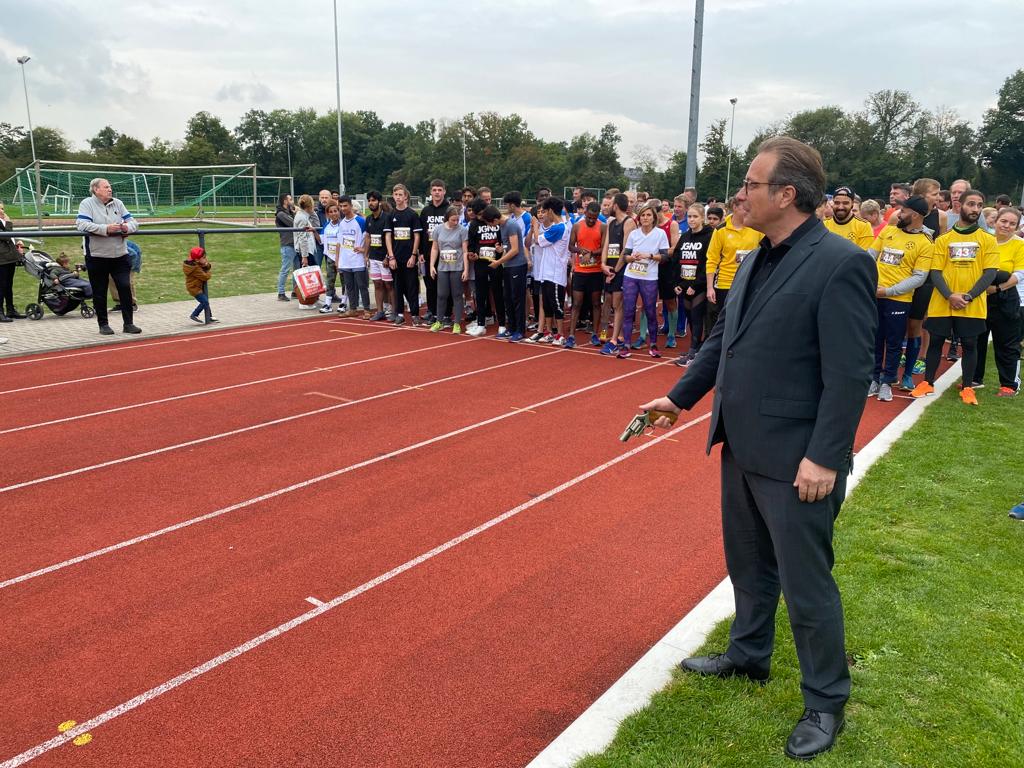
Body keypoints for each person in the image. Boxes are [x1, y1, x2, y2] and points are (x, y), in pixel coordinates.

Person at [641, 136, 877, 761]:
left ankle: (825, 701)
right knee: (748, 565)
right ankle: (748, 655)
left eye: (751, 183)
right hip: (742, 445)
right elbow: (722, 342)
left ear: (787, 194)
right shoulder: (752, 258)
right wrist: (679, 398)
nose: (740, 194)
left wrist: (824, 456)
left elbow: (850, 374)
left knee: (807, 586)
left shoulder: (841, 263)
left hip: (799, 458)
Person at [911, 190, 999, 405]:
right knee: (936, 341)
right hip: (943, 301)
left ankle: (967, 387)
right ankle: (927, 383)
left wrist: (968, 296)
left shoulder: (988, 240)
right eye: (971, 204)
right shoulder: (943, 239)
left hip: (972, 303)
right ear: (960, 205)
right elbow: (935, 271)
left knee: (969, 343)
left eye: (979, 205)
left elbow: (990, 272)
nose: (975, 209)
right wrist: (950, 295)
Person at [866, 196, 934, 402]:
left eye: (903, 211)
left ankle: (888, 381)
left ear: (915, 215)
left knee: (894, 341)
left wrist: (889, 291)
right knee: (875, 338)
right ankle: (874, 378)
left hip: (899, 299)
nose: (898, 214)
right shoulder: (888, 231)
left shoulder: (925, 242)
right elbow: (870, 255)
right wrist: (870, 282)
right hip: (875, 294)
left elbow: (919, 277)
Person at [75, 177, 141, 335]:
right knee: (100, 291)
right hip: (97, 256)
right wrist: (106, 229)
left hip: (120, 255)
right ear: (95, 189)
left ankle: (128, 324)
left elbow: (134, 223)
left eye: (110, 187)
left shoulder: (118, 203)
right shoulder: (87, 204)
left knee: (124, 287)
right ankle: (103, 325)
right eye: (106, 187)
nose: (110, 189)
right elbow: (81, 224)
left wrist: (125, 228)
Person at [971, 207, 1024, 395]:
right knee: (977, 340)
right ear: (995, 221)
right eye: (1004, 221)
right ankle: (974, 378)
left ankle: (1009, 384)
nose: (1007, 226)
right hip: (981, 297)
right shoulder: (985, 241)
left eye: (1012, 224)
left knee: (1007, 343)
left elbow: (1019, 274)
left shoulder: (1019, 245)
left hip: (1006, 297)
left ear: (1017, 227)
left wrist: (997, 288)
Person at [617, 202, 668, 359]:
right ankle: (626, 345)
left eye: (648, 215)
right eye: (643, 215)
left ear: (653, 218)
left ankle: (653, 345)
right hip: (631, 276)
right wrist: (631, 258)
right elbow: (625, 256)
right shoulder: (634, 234)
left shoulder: (660, 234)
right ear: (639, 218)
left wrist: (650, 256)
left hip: (649, 278)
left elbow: (665, 257)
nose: (645, 218)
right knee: (628, 310)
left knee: (650, 311)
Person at [704, 193, 761, 332]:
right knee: (723, 322)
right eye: (744, 207)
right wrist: (710, 287)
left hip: (748, 282)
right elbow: (712, 259)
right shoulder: (720, 230)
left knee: (744, 321)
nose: (748, 209)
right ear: (735, 207)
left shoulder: (757, 228)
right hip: (725, 283)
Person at [673, 203, 713, 367]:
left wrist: (696, 285)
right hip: (685, 284)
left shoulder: (709, 236)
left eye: (695, 216)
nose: (691, 220)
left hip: (700, 285)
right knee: (690, 317)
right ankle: (695, 347)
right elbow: (676, 260)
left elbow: (708, 262)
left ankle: (693, 352)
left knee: (697, 317)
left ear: (702, 218)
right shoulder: (684, 237)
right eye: (689, 216)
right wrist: (677, 283)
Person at [598, 192, 635, 354]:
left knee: (618, 303)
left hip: (621, 269)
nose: (608, 207)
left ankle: (615, 340)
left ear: (616, 205)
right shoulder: (611, 222)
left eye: (611, 203)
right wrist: (603, 264)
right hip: (609, 268)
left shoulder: (629, 222)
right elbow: (606, 244)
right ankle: (615, 335)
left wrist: (616, 270)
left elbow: (626, 250)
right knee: (610, 301)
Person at [566, 201, 606, 349]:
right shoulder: (577, 226)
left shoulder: (602, 227)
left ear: (598, 216)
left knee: (596, 303)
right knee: (577, 303)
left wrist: (591, 253)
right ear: (585, 213)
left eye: (594, 218)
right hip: (580, 271)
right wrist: (581, 251)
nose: (591, 220)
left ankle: (595, 334)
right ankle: (571, 336)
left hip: (596, 271)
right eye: (589, 217)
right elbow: (571, 246)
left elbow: (604, 248)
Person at [385, 183, 424, 325]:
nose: (398, 197)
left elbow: (417, 236)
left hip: (409, 257)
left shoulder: (412, 214)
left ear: (406, 196)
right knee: (398, 287)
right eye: (395, 194)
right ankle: (400, 314)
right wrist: (391, 256)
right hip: (396, 258)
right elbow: (388, 236)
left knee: (412, 286)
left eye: (400, 194)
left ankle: (415, 314)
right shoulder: (391, 215)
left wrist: (414, 255)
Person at [429, 206, 469, 334]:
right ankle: (439, 321)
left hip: (457, 267)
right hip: (442, 267)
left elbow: (465, 251)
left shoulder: (462, 230)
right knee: (441, 295)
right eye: (453, 220)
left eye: (457, 220)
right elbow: (435, 248)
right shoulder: (438, 229)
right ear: (447, 218)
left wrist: (466, 269)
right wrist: (431, 265)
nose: (455, 222)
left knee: (457, 295)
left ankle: (456, 323)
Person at [498, 191, 530, 341]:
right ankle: (512, 327)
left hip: (522, 260)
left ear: (512, 204)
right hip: (510, 260)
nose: (505, 207)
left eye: (506, 204)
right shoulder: (510, 219)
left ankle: (521, 326)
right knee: (509, 296)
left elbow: (527, 241)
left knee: (520, 296)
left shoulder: (526, 218)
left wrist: (528, 258)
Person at [419, 179, 449, 324]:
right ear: (431, 192)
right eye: (434, 190)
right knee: (430, 284)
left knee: (445, 285)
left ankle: (446, 313)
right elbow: (421, 233)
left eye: (439, 190)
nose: (437, 193)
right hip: (428, 253)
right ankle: (432, 311)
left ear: (444, 192)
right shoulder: (425, 211)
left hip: (445, 254)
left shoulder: (448, 210)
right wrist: (420, 252)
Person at [337, 196, 371, 318]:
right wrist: (337, 260)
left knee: (362, 285)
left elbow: (368, 237)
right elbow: (339, 242)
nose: (343, 208)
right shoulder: (341, 223)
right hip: (345, 260)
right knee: (349, 286)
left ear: (351, 206)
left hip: (358, 259)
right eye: (341, 206)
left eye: (345, 206)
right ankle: (353, 308)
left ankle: (367, 309)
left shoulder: (360, 221)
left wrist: (364, 250)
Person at [364, 191, 393, 321]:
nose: (371, 203)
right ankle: (380, 311)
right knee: (377, 284)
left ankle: (393, 310)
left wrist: (388, 256)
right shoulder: (369, 219)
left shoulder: (387, 217)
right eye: (369, 201)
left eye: (373, 200)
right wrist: (366, 255)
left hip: (384, 257)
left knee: (389, 285)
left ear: (379, 202)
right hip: (373, 257)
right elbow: (368, 237)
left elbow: (390, 238)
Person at [319, 202, 346, 314]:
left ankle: (344, 303)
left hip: (343, 258)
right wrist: (313, 231)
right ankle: (328, 304)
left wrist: (339, 259)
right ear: (327, 214)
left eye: (335, 211)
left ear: (339, 212)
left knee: (344, 281)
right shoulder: (326, 225)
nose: (333, 213)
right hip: (330, 257)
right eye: (331, 212)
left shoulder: (343, 224)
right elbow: (321, 240)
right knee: (330, 281)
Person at [0, 200, 24, 322]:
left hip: (9, 258)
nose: (2, 211)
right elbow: (6, 236)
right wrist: (9, 222)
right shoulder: (5, 222)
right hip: (2, 259)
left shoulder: (3, 222)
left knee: (8, 285)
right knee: (2, 285)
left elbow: (10, 237)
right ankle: (0, 312)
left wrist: (16, 243)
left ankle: (10, 309)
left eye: (2, 208)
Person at [183, 246, 217, 324]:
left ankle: (209, 316)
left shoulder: (195, 263)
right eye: (204, 258)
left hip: (197, 286)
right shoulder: (195, 269)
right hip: (194, 288)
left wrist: (206, 265)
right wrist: (208, 272)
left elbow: (207, 266)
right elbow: (205, 277)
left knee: (205, 300)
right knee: (205, 302)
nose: (205, 259)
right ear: (197, 259)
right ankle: (194, 314)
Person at [275, 193, 297, 302]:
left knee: (297, 269)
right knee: (285, 269)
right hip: (288, 244)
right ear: (285, 201)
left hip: (295, 244)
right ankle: (281, 293)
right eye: (290, 199)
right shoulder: (281, 214)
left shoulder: (289, 212)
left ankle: (295, 291)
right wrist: (297, 213)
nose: (292, 201)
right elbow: (294, 224)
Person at [110, 239, 141, 312]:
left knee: (128, 281)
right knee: (111, 279)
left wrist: (130, 268)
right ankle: (119, 303)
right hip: (116, 260)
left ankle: (132, 304)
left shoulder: (115, 244)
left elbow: (133, 254)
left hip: (131, 259)